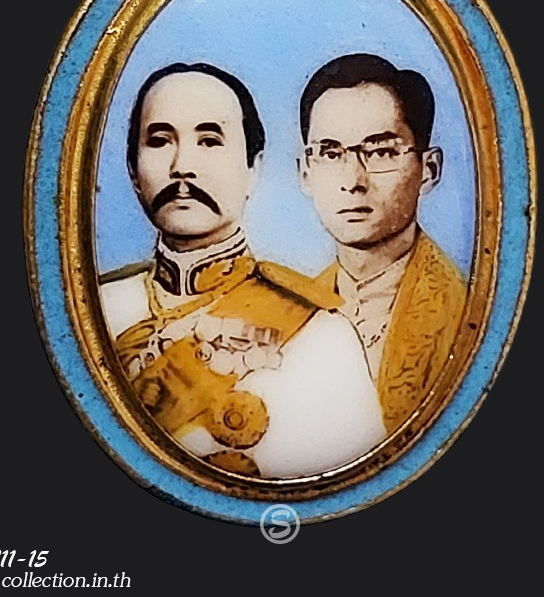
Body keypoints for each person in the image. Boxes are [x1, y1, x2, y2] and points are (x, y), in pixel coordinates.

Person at [100, 62, 384, 478]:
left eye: (209, 141)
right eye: (159, 141)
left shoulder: (322, 335)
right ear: (132, 170)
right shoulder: (95, 308)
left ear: (254, 169)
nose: (182, 165)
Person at [299, 54, 467, 433]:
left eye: (381, 152)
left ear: (429, 170)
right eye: (330, 153)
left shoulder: (464, 313)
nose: (353, 181)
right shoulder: (291, 312)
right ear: (305, 174)